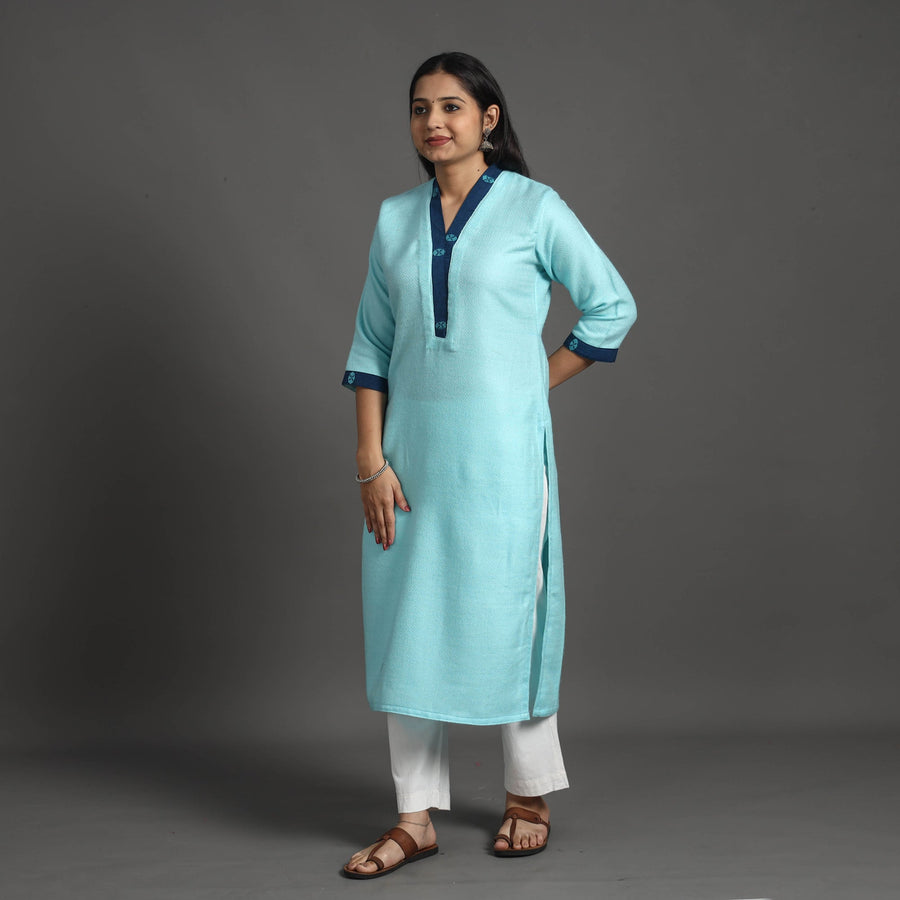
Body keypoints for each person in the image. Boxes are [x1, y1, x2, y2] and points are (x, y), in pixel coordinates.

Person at [340, 51, 637, 879]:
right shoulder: (395, 219)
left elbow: (611, 305)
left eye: (451, 107)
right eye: (420, 108)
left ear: (488, 119)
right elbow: (370, 345)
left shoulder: (535, 209)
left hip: (503, 455)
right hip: (409, 457)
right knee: (408, 620)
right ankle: (413, 818)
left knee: (515, 607)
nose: (433, 122)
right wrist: (369, 458)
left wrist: (529, 385)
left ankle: (528, 797)